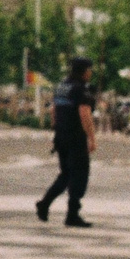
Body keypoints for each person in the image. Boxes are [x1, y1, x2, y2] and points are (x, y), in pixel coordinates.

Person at [37, 58, 96, 227]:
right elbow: (84, 113)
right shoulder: (80, 89)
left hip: (61, 136)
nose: (90, 73)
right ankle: (72, 214)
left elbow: (53, 110)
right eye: (89, 70)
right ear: (83, 71)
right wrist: (91, 138)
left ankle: (44, 203)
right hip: (75, 138)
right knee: (79, 175)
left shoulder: (61, 87)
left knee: (65, 174)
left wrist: (57, 130)